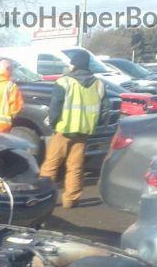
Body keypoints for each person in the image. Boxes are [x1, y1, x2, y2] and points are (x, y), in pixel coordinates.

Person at [40, 52, 107, 209]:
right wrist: (97, 125)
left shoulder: (64, 82)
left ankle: (42, 198)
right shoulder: (98, 84)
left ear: (75, 65)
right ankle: (70, 200)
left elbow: (55, 105)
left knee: (51, 165)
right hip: (83, 132)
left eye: (71, 63)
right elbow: (105, 109)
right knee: (75, 167)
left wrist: (53, 124)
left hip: (63, 130)